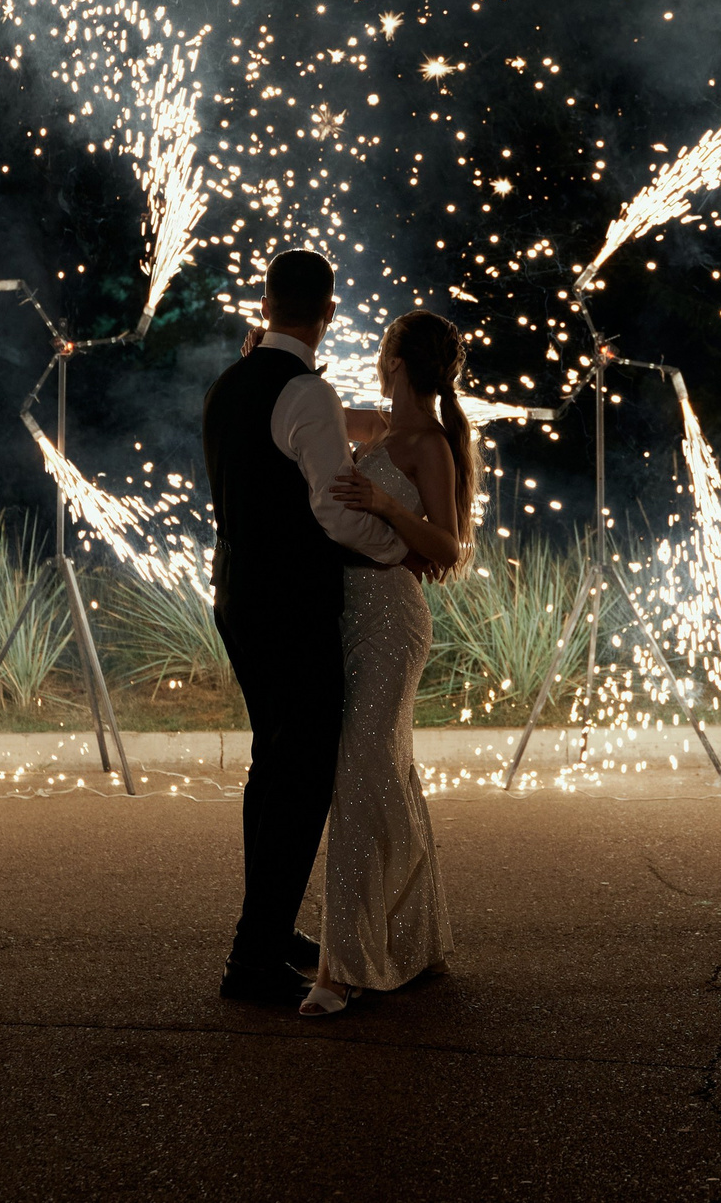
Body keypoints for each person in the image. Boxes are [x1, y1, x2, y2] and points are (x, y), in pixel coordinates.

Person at [201, 250, 411, 1005]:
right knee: (301, 776)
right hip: (289, 602)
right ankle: (251, 960)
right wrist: (399, 546)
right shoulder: (306, 390)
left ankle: (270, 929)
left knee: (275, 767)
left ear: (264, 302)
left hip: (236, 592)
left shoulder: (231, 384)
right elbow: (330, 504)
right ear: (327, 312)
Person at [297, 309, 471, 1016]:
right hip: (348, 617)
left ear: (397, 361)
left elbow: (452, 544)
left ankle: (343, 968)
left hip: (394, 621)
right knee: (386, 774)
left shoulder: (429, 442)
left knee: (359, 774)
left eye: (382, 347)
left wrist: (383, 505)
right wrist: (284, 367)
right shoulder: (381, 429)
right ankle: (415, 936)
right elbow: (328, 415)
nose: (375, 356)